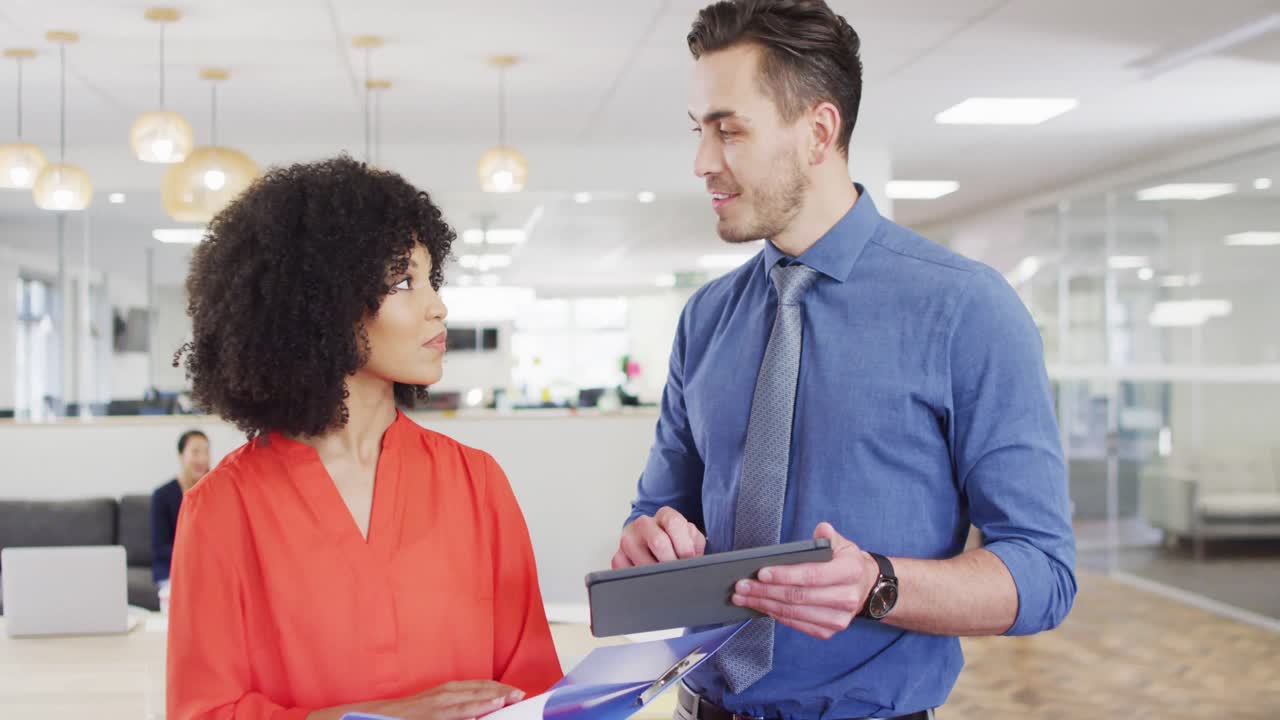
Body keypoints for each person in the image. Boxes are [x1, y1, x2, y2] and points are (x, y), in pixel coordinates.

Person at [615, 2, 1077, 719]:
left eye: (728, 130)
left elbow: (1044, 571)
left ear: (818, 133)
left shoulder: (965, 309)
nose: (702, 161)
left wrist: (878, 583)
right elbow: (660, 506)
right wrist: (649, 539)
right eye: (698, 130)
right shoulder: (706, 317)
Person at [167, 156, 562, 720]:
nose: (437, 306)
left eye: (431, 279)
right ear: (324, 306)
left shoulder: (477, 482)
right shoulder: (223, 508)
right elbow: (206, 712)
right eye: (402, 282)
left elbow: (534, 692)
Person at [150, 429, 211, 589]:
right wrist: (195, 555)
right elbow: (161, 547)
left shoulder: (215, 491)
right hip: (173, 568)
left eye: (206, 452)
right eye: (195, 452)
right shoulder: (162, 495)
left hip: (209, 567)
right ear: (181, 456)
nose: (202, 459)